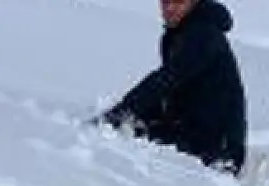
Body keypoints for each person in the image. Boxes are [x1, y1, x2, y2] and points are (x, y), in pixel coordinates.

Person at [95, 0, 247, 176]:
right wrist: (137, 114)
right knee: (129, 133)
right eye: (165, 2)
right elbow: (172, 90)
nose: (169, 8)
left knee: (126, 142)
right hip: (193, 130)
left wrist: (123, 112)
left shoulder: (203, 34)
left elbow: (168, 79)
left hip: (217, 148)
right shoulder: (180, 34)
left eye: (178, 2)